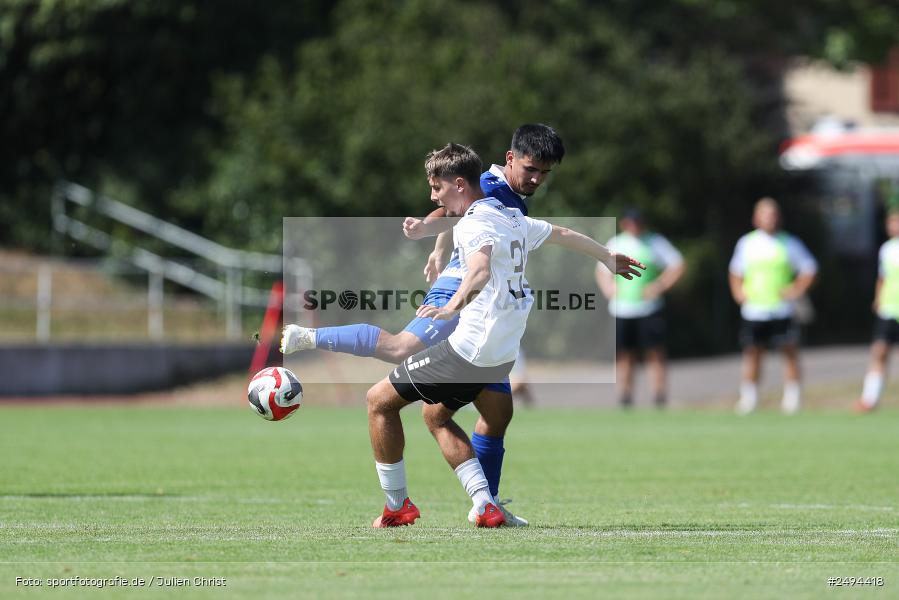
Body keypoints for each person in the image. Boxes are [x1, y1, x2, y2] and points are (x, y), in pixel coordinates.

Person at [282, 124, 566, 526]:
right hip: (460, 285)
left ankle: (488, 504)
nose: (536, 178)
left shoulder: (514, 199)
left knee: (496, 414)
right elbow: (449, 209)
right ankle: (307, 336)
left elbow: (465, 218)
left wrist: (437, 246)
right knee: (400, 349)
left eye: (544, 172)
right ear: (510, 159)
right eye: (531, 169)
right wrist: (429, 234)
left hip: (486, 307)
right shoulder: (489, 182)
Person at [364, 142, 643, 527]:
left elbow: (478, 271)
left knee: (378, 401)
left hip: (470, 349)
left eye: (437, 188)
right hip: (502, 354)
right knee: (439, 416)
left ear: (459, 184)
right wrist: (606, 257)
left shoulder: (474, 222)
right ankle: (485, 504)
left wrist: (450, 307)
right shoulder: (511, 215)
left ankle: (397, 506)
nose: (434, 197)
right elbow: (562, 232)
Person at [728, 197, 818, 415]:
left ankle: (792, 399)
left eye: (773, 215)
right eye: (765, 215)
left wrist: (796, 289)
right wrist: (738, 292)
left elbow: (809, 268)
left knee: (789, 352)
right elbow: (735, 271)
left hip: (781, 309)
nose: (770, 219)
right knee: (752, 353)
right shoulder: (747, 243)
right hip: (755, 310)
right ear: (756, 218)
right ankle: (749, 398)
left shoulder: (789, 243)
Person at [595, 208, 685, 408]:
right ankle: (625, 396)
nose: (634, 226)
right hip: (622, 309)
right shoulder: (616, 243)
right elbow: (601, 271)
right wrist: (609, 288)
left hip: (649, 308)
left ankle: (659, 396)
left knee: (655, 352)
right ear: (624, 224)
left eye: (637, 222)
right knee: (624, 353)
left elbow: (677, 265)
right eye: (631, 222)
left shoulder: (655, 242)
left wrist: (659, 286)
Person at [855, 211, 899, 413]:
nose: (893, 226)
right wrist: (878, 297)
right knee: (879, 351)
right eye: (891, 222)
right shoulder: (886, 248)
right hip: (889, 309)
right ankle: (870, 399)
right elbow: (882, 277)